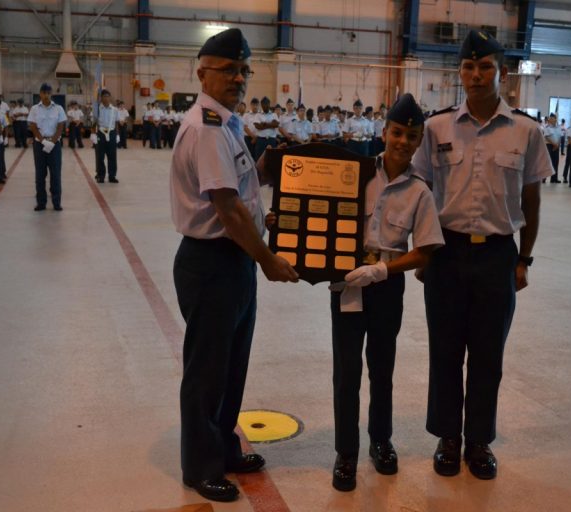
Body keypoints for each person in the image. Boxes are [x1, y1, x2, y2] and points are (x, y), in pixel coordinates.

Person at [412, 30, 553, 480]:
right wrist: (422, 252)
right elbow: (420, 192)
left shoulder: (526, 130)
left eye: (485, 66)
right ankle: (448, 439)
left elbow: (530, 200)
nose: (475, 74)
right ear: (460, 72)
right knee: (446, 351)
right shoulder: (436, 128)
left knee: (488, 354)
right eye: (468, 67)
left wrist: (524, 258)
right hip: (447, 255)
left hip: (496, 255)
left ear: (502, 73)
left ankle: (478, 442)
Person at [169, 28, 298, 503]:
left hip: (233, 262)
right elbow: (226, 208)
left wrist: (265, 168)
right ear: (202, 70)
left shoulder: (228, 124)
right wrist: (266, 259)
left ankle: (223, 448)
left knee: (230, 367)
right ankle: (200, 467)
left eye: (244, 70)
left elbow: (241, 188)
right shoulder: (206, 127)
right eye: (228, 69)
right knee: (206, 371)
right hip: (213, 263)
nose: (239, 78)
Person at [322, 93, 444, 492]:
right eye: (397, 132)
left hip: (387, 286)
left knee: (382, 368)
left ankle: (380, 441)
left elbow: (425, 251)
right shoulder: (355, 172)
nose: (403, 141)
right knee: (346, 372)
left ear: (420, 139)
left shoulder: (420, 192)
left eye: (412, 135)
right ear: (383, 131)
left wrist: (384, 269)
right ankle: (346, 453)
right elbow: (320, 208)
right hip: (347, 282)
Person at [28, 83, 67, 211]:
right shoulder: (34, 109)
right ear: (40, 94)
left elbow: (61, 126)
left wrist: (53, 141)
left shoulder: (58, 108)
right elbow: (33, 126)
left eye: (49, 93)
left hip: (55, 145)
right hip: (39, 145)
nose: (46, 95)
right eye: (44, 93)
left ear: (51, 94)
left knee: (55, 175)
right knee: (40, 175)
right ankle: (41, 202)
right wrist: (43, 141)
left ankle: (56, 202)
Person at [91, 89, 119, 183]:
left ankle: (112, 175)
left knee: (112, 156)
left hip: (111, 133)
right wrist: (93, 134)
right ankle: (101, 175)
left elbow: (117, 122)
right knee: (100, 156)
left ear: (110, 97)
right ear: (101, 98)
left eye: (108, 96)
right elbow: (93, 122)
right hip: (101, 133)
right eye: (104, 96)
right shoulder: (97, 109)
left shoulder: (114, 109)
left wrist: (117, 135)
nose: (106, 98)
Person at [542, 114, 561, 182]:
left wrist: (557, 144)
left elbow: (560, 136)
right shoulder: (547, 127)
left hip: (557, 146)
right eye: (550, 118)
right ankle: (543, 178)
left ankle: (554, 179)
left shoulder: (559, 127)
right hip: (549, 146)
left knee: (556, 162)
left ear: (556, 119)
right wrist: (554, 144)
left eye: (553, 118)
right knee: (547, 162)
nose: (551, 119)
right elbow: (546, 137)